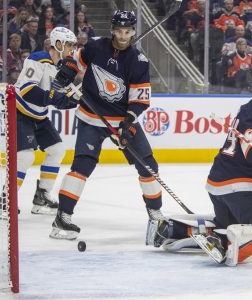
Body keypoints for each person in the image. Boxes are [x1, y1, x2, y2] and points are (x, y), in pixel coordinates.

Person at [147, 71, 252, 261]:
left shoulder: (251, 110)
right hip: (243, 187)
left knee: (228, 224)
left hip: (220, 184)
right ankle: (222, 241)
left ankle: (172, 229)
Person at [49, 10, 165, 240]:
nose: (123, 36)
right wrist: (66, 72)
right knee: (82, 166)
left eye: (128, 31)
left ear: (133, 31)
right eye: (119, 31)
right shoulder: (95, 47)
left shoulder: (139, 62)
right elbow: (75, 62)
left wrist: (127, 123)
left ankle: (155, 213)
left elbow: (139, 99)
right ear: (112, 29)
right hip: (90, 118)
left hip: (121, 120)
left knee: (148, 165)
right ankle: (62, 218)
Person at [0, 27, 80, 219]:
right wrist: (55, 98)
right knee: (25, 157)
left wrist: (68, 100)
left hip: (39, 116)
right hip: (19, 112)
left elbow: (56, 93)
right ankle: (5, 201)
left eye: (73, 45)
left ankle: (42, 197)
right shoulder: (37, 58)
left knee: (57, 150)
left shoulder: (61, 66)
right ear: (57, 44)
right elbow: (26, 90)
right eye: (68, 45)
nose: (71, 49)